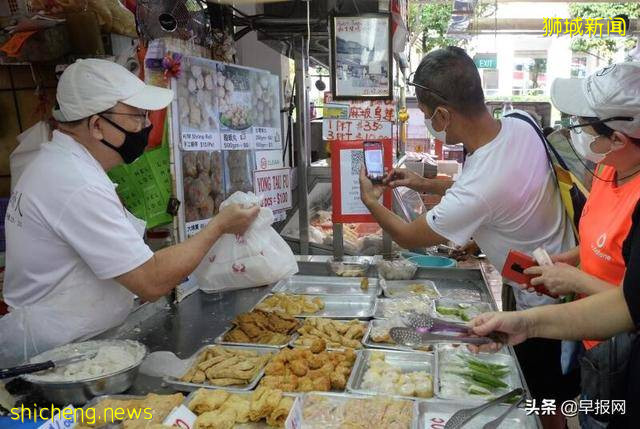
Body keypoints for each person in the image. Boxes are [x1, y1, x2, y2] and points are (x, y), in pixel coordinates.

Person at [358, 46, 576, 429]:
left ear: (443, 114)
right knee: (547, 391)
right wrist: (427, 183)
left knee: (545, 399)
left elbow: (410, 236)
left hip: (546, 297)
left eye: (427, 116)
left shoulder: (481, 186)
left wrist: (371, 202)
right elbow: (485, 192)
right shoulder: (519, 122)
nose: (428, 122)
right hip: (547, 271)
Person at [0, 59, 259, 367]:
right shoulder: (75, 182)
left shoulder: (66, 165)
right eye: (137, 117)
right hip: (52, 358)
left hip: (73, 345)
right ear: (97, 125)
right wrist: (219, 226)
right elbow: (150, 281)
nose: (146, 127)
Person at [473, 62, 640, 429]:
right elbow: (603, 240)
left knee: (600, 418)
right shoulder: (607, 169)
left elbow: (632, 305)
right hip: (586, 332)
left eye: (582, 124)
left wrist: (575, 281)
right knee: (567, 405)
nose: (573, 131)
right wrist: (571, 262)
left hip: (621, 353)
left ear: (619, 138)